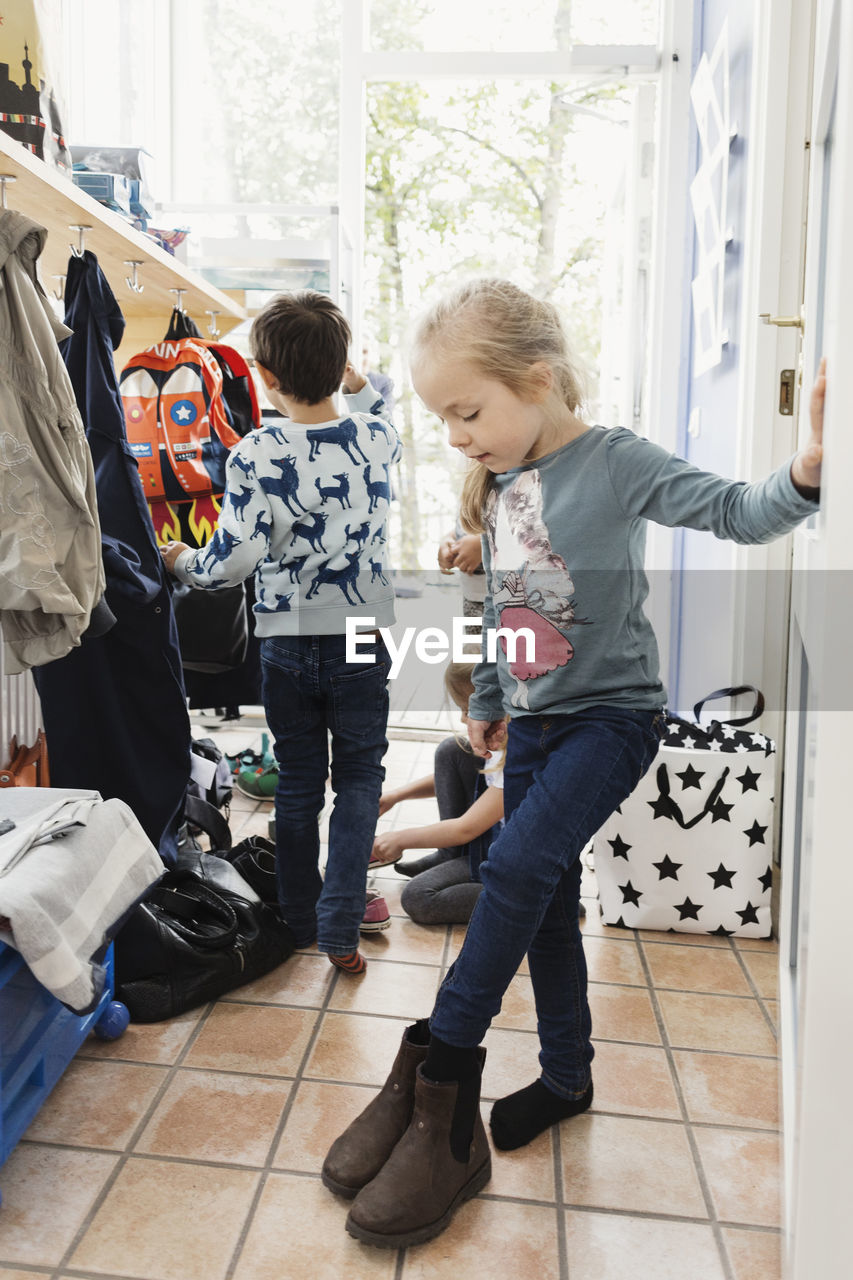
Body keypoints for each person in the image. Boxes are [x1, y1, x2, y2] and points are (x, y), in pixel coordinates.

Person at [322, 277, 826, 1247]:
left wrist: (804, 473)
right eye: (444, 419)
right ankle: (565, 1074)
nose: (458, 435)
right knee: (547, 904)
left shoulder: (615, 460)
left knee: (512, 866)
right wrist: (497, 707)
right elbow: (509, 607)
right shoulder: (505, 488)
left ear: (538, 377)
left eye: (468, 411)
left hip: (614, 720)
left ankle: (441, 1071)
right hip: (543, 723)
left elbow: (734, 511)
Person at [160, 290, 400, 975]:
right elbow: (379, 400)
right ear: (341, 364)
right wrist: (355, 379)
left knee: (298, 783)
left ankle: (298, 916)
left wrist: (179, 559)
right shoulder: (377, 436)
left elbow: (229, 562)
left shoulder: (256, 451)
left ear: (264, 377)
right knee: (358, 779)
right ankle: (341, 923)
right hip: (362, 638)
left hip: (290, 639)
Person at [371, 663, 503, 926]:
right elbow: (479, 777)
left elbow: (465, 829)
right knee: (453, 751)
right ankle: (450, 856)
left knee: (420, 897)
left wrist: (400, 839)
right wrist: (396, 795)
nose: (464, 719)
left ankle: (540, 903)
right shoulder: (500, 742)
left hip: (506, 861)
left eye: (468, 710)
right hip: (487, 843)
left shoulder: (518, 758)